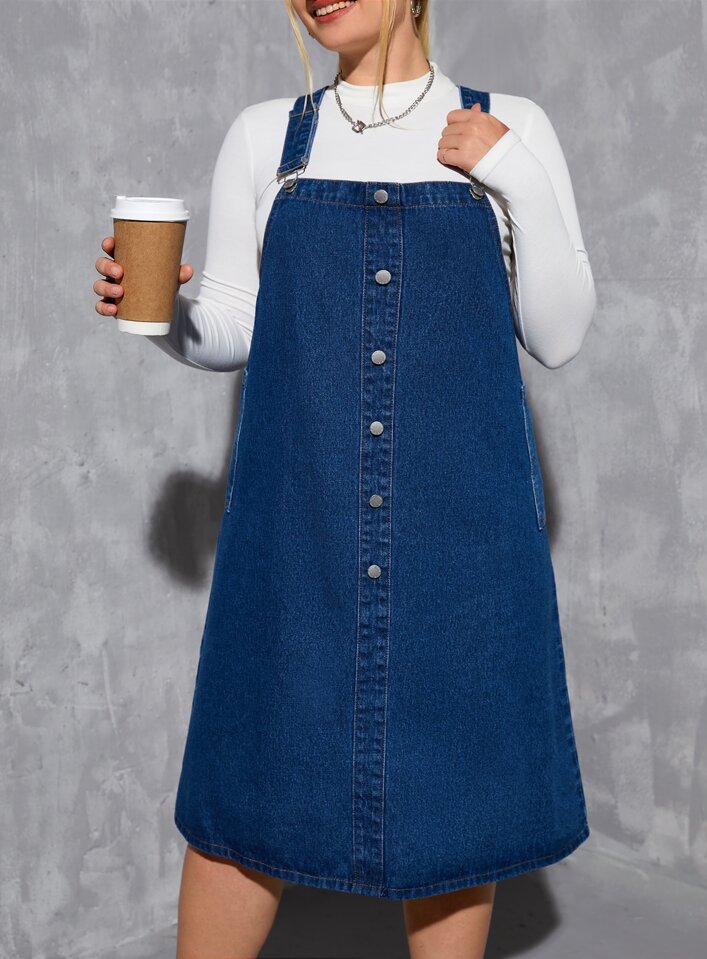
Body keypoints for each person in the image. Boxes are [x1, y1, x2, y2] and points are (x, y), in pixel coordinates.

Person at [93, 1, 596, 956]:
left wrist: (515, 176)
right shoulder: (267, 139)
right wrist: (157, 314)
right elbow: (231, 326)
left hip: (458, 548)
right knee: (244, 806)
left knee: (453, 823)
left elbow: (559, 336)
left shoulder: (510, 126)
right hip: (299, 542)